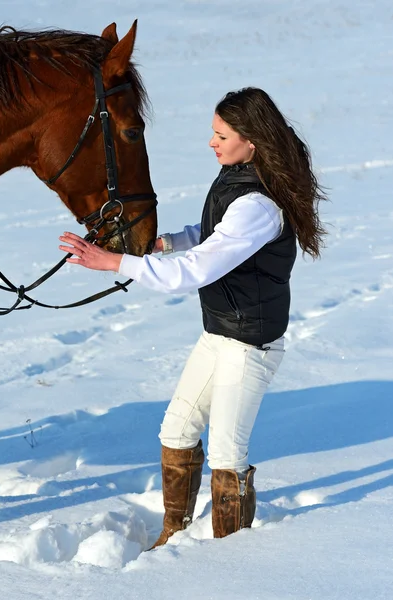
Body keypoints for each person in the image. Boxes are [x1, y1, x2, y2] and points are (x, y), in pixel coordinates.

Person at [59, 87, 327, 546]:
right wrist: (166, 242)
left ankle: (229, 555)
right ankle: (173, 532)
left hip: (250, 344)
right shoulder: (240, 177)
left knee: (227, 453)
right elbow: (212, 235)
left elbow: (197, 270)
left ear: (252, 140)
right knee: (177, 428)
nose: (211, 142)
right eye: (213, 132)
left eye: (220, 134)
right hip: (221, 331)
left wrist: (113, 263)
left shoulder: (258, 204)